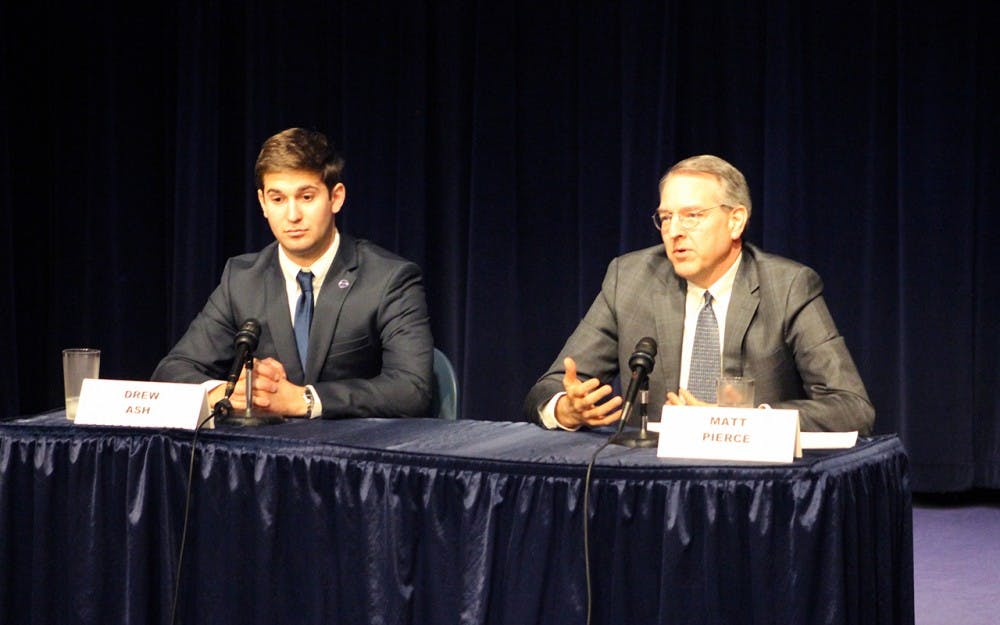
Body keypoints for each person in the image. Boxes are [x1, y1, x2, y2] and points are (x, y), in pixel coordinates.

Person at [523, 154, 874, 434]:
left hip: (756, 487)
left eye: (691, 216)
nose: (674, 231)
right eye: (665, 217)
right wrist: (565, 408)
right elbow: (550, 387)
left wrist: (742, 420)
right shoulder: (630, 279)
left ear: (736, 221)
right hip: (653, 485)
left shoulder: (788, 287)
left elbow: (852, 408)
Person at [152, 127, 434, 419]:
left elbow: (412, 388)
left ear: (335, 198)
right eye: (277, 199)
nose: (292, 215)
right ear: (262, 203)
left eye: (306, 197)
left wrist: (304, 399)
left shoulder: (389, 279)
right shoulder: (242, 279)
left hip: (356, 455)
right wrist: (228, 392)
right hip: (262, 460)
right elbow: (172, 371)